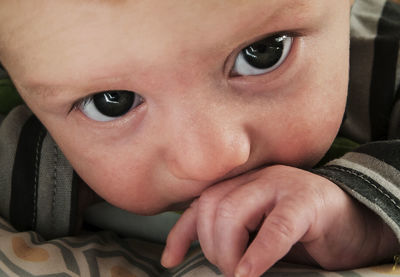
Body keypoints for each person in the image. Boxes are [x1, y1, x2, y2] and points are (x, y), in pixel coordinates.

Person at [0, 0, 399, 276]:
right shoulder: (21, 133)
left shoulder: (386, 57)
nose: (211, 157)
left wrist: (364, 217)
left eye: (262, 52)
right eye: (113, 103)